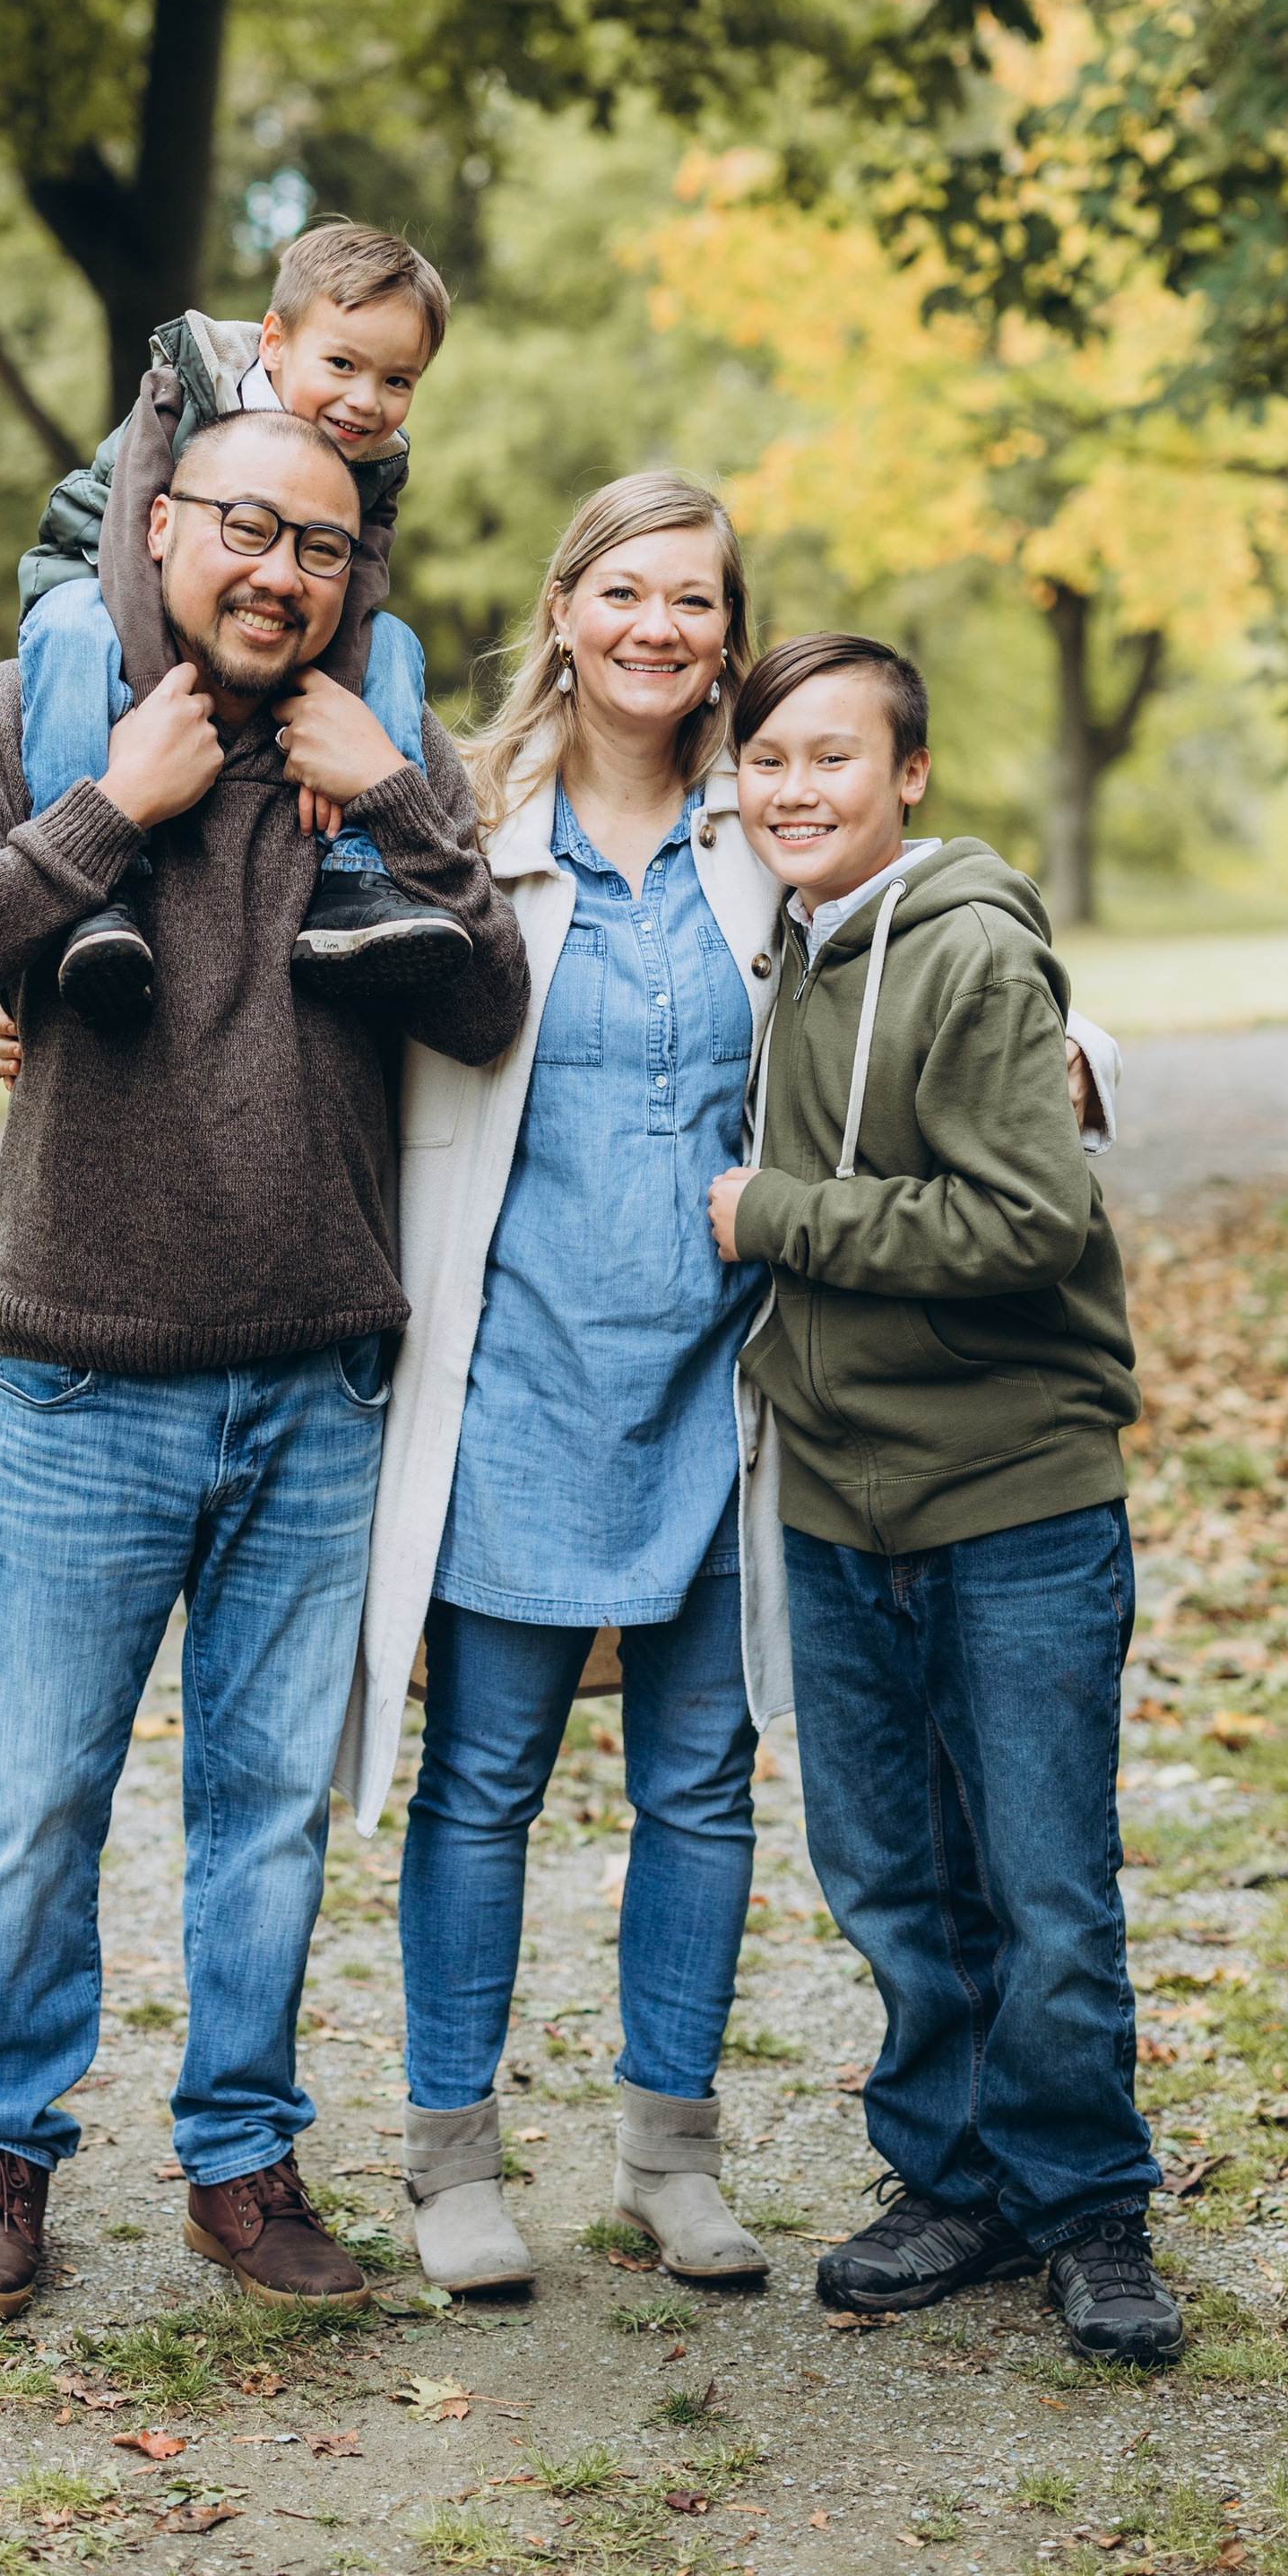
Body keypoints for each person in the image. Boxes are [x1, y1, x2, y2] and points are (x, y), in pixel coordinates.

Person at [331, 483, 1121, 2298]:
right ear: (562, 607)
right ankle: (449, 2155)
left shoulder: (759, 824)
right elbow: (298, 989)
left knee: (702, 1780)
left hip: (723, 1382)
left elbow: (953, 949)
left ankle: (666, 2154)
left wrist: (1083, 1057)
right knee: (482, 1784)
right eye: (621, 590)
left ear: (727, 626)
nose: (654, 627)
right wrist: (46, 1010)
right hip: (515, 1373)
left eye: (691, 598)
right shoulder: (456, 821)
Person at [0, 404, 528, 2320]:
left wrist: (396, 799)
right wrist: (107, 814)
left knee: (260, 1810)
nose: (279, 575)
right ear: (161, 528)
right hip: (84, 1373)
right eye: (247, 529)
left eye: (321, 548)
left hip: (317, 1379)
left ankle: (241, 2160)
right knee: (37, 1798)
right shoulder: (40, 708)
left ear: (356, 575)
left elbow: (488, 1005)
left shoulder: (377, 745)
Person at [706, 629, 1177, 2367]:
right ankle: (953, 2173)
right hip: (838, 1496)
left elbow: (1023, 1225)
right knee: (893, 1871)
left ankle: (1086, 2205)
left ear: (906, 775)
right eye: (765, 760)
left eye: (832, 757)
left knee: (1044, 1878)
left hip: (1011, 1492)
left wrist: (771, 1218)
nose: (793, 788)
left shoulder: (964, 951)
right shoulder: (776, 941)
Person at [14, 222, 466, 1027]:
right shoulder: (187, 391)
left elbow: (357, 585)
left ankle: (359, 877)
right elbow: (129, 540)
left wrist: (335, 712)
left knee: (395, 641)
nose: (367, 401)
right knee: (72, 625)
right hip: (100, 574)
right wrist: (162, 700)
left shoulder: (374, 459)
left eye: (399, 380)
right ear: (276, 341)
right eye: (343, 365)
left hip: (251, 644)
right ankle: (93, 895)